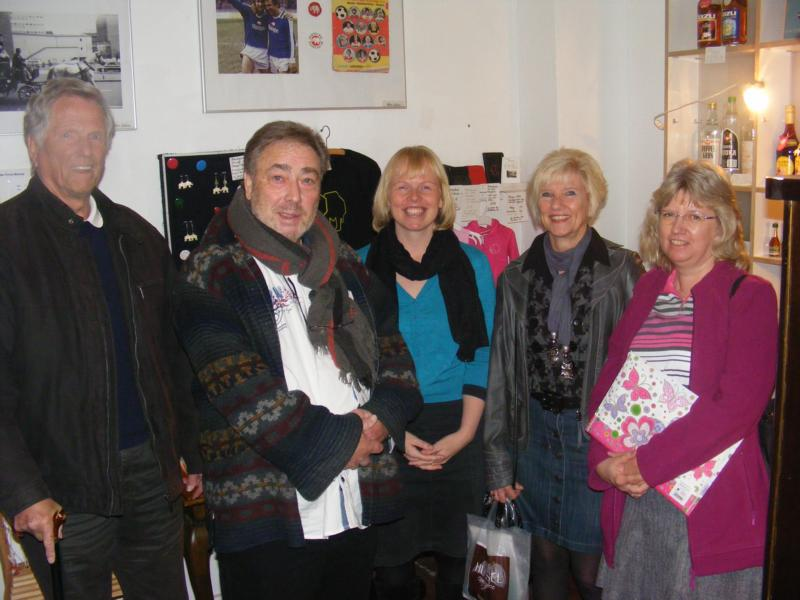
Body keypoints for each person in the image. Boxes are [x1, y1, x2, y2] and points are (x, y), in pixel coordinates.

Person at [173, 121, 422, 600]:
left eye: (308, 179)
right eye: (278, 176)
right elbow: (246, 395)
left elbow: (394, 355)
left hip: (355, 499)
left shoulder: (344, 262)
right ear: (248, 184)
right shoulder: (210, 272)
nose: (294, 195)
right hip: (269, 512)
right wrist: (348, 440)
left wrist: (380, 422)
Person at [0, 78, 202, 599]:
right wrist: (22, 491)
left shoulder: (136, 236)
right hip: (60, 489)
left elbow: (175, 356)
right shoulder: (7, 241)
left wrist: (189, 450)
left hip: (151, 478)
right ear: (33, 145)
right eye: (68, 135)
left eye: (95, 137)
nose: (86, 151)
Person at [589, 159, 777, 598]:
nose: (678, 227)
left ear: (722, 226)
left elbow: (737, 408)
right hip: (637, 498)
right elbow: (612, 377)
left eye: (695, 215)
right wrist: (602, 461)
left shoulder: (750, 295)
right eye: (669, 213)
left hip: (711, 505)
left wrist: (647, 464)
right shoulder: (649, 288)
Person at [484, 148, 642, 600]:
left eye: (570, 193)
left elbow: (640, 366)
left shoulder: (624, 268)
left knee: (594, 571)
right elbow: (500, 373)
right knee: (545, 562)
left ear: (591, 200)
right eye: (547, 194)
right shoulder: (515, 276)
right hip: (533, 436)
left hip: (594, 439)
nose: (557, 205)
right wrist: (498, 463)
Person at [360, 146, 495, 600]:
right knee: (392, 571)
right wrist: (395, 434)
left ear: (441, 198)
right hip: (387, 424)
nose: (414, 198)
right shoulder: (358, 265)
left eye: (425, 186)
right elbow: (353, 366)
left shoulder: (473, 264)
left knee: (460, 567)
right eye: (403, 186)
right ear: (387, 197)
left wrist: (465, 435)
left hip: (461, 425)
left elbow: (483, 354)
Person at [229, 0, 270, 73]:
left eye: (262, 2)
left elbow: (279, 12)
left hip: (264, 53)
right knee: (246, 76)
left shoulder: (269, 14)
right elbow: (234, 2)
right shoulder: (247, 10)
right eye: (258, 1)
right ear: (254, 2)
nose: (260, 4)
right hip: (249, 51)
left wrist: (286, 15)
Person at [264, 0, 297, 74]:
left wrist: (292, 60)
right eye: (266, 6)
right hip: (271, 56)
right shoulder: (268, 16)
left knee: (283, 80)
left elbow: (291, 40)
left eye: (269, 5)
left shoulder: (287, 18)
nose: (267, 8)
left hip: (284, 58)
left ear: (276, 5)